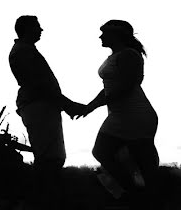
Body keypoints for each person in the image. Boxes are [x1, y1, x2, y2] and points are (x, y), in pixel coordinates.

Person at [78, 20, 160, 206]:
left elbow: (128, 86)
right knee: (102, 151)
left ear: (115, 35)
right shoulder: (115, 56)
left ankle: (144, 196)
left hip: (136, 115)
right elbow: (109, 87)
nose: (100, 37)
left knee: (143, 161)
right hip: (119, 115)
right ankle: (134, 193)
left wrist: (98, 105)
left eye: (104, 33)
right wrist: (90, 106)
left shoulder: (128, 55)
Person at [9, 15, 83, 207]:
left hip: (43, 106)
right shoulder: (23, 52)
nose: (41, 30)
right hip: (39, 107)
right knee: (50, 158)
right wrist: (67, 103)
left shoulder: (26, 50)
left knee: (51, 157)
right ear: (26, 29)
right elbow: (38, 85)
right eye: (38, 27)